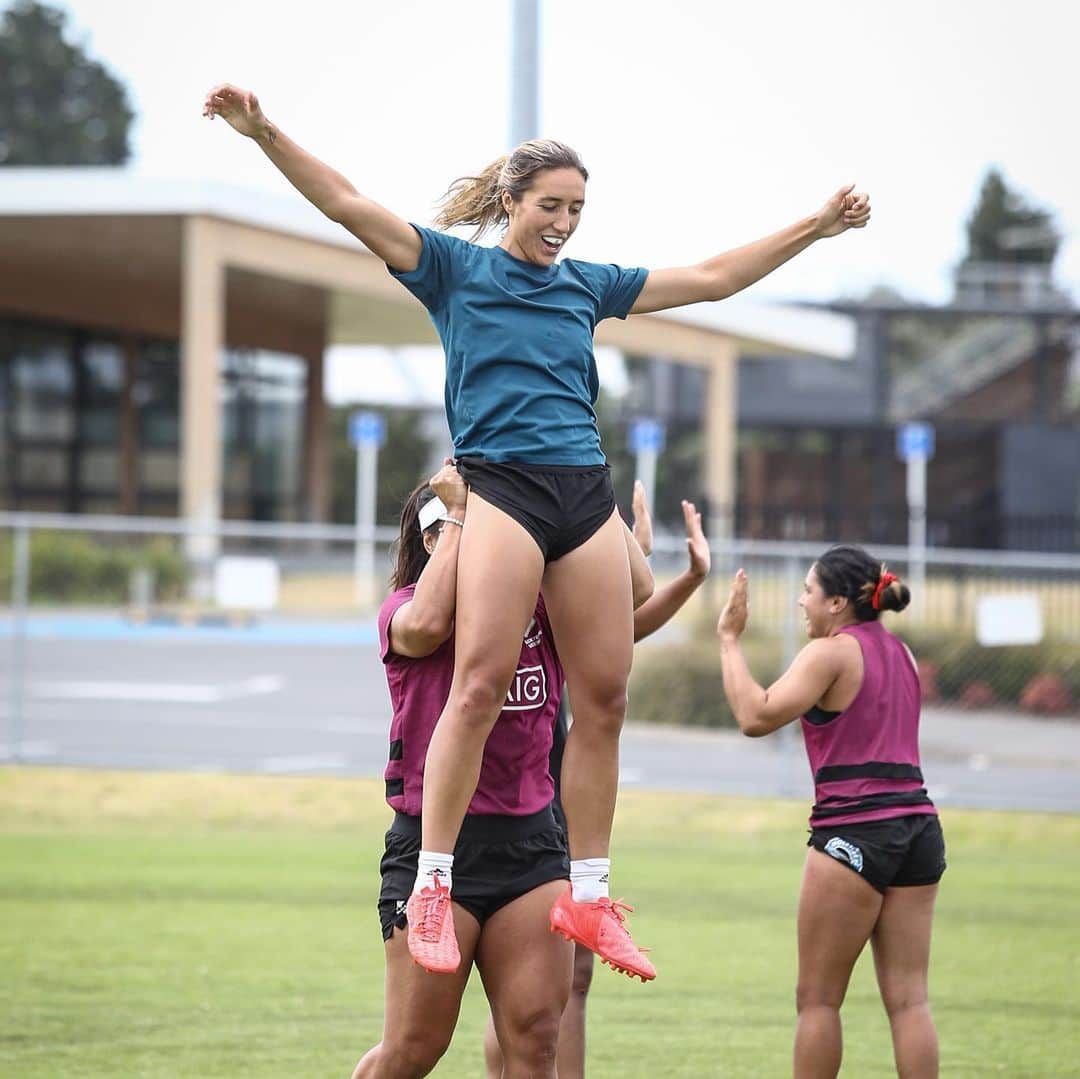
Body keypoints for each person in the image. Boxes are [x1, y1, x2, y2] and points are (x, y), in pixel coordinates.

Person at [202, 83, 872, 980]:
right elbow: (346, 203)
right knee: (477, 685)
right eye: (551, 205)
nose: (564, 223)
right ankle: (431, 885)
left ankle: (588, 897)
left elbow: (714, 278)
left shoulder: (587, 287)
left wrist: (815, 228)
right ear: (510, 201)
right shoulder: (452, 269)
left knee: (604, 696)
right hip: (502, 490)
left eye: (578, 210)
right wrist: (263, 132)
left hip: (581, 493)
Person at [356, 462, 654, 1078]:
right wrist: (462, 512)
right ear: (426, 542)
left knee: (536, 1039)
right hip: (436, 851)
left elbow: (632, 595)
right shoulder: (404, 613)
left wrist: (588, 492)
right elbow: (432, 622)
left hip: (531, 846)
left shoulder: (537, 614)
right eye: (445, 532)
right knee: (414, 1048)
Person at [484, 485, 713, 1079]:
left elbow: (619, 630)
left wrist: (684, 580)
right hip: (503, 801)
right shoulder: (501, 576)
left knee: (569, 976)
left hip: (554, 792)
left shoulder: (558, 583)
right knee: (518, 983)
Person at [716, 546, 945, 1079]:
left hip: (854, 831)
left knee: (818, 1000)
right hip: (919, 829)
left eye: (808, 591)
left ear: (838, 601)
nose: (801, 601)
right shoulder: (903, 654)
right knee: (910, 1001)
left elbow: (755, 715)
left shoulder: (832, 653)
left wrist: (729, 640)